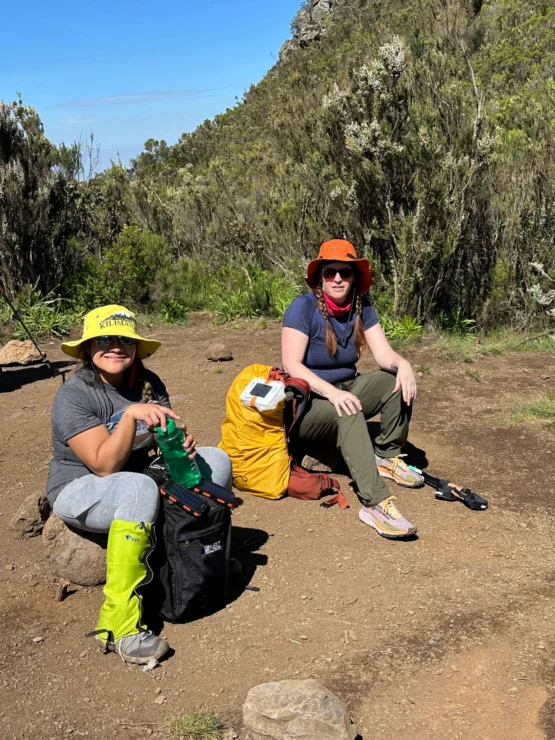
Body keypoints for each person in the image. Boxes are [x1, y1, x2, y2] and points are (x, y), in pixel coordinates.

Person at [46, 305, 232, 664]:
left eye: (125, 340)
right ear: (87, 347)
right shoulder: (75, 395)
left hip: (141, 476)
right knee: (137, 489)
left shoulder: (149, 383)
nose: (115, 347)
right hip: (80, 487)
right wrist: (131, 415)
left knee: (217, 460)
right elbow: (103, 465)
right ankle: (119, 625)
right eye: (104, 339)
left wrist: (179, 445)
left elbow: (164, 437)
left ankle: (196, 562)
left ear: (135, 347)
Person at [282, 240, 424, 540]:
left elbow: (384, 355)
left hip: (347, 387)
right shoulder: (303, 307)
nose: (337, 279)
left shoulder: (363, 307)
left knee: (392, 381)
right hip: (309, 400)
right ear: (320, 277)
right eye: (330, 272)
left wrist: (404, 364)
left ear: (353, 278)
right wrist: (332, 394)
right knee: (349, 409)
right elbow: (292, 364)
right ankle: (374, 504)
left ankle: (386, 456)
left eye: (344, 273)